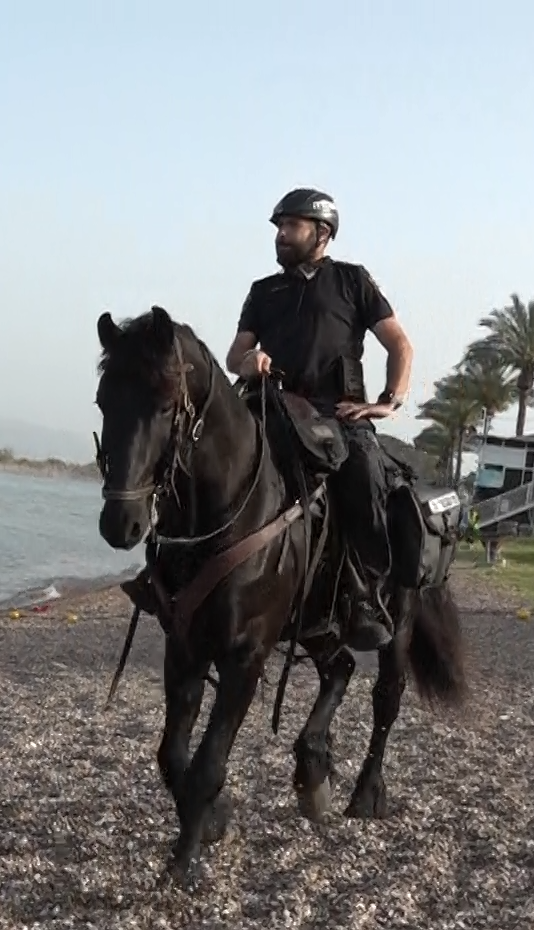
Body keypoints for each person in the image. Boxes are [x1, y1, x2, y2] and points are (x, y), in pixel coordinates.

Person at [224, 187, 415, 651]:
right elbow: (234, 355)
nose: (282, 235)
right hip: (272, 409)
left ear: (323, 233)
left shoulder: (353, 282)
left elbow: (400, 346)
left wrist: (388, 400)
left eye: (292, 226)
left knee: (366, 474)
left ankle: (365, 594)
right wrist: (249, 363)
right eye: (279, 227)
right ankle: (178, 569)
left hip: (337, 414)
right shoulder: (263, 291)